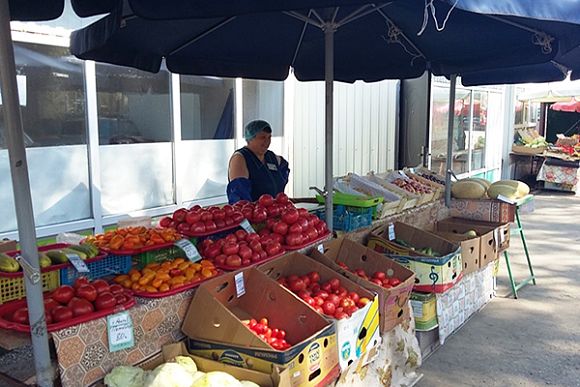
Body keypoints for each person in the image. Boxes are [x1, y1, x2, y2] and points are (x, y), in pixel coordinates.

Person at [227, 119, 290, 204]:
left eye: (269, 137)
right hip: (255, 214)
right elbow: (239, 196)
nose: (267, 142)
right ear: (250, 139)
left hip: (276, 212)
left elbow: (284, 168)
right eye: (262, 137)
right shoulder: (240, 158)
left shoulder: (271, 157)